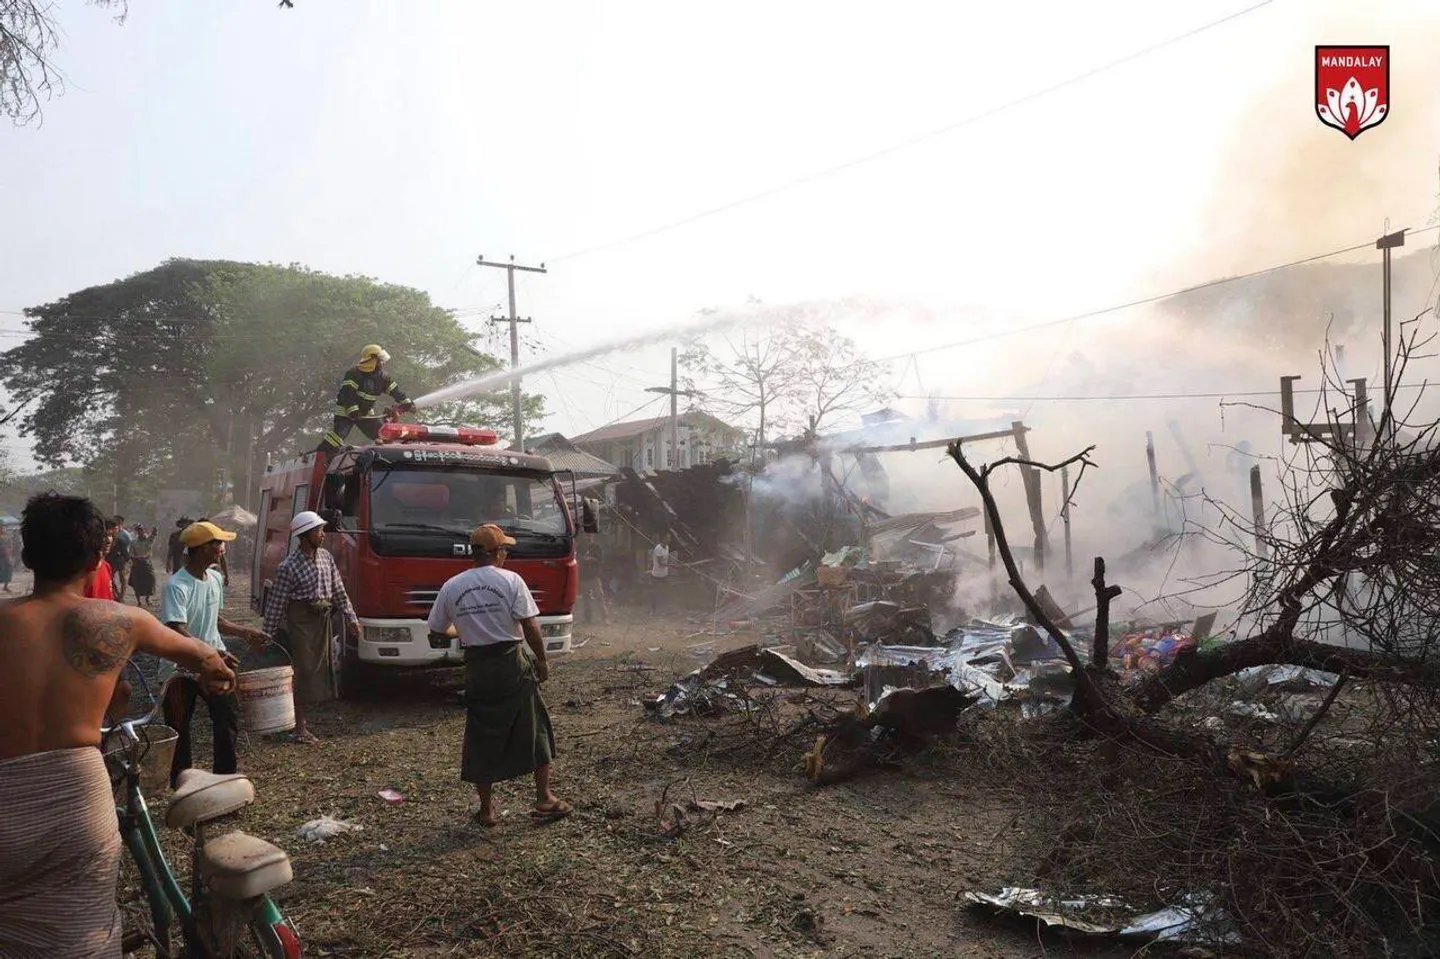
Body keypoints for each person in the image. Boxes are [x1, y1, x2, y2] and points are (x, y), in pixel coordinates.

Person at [0, 493, 235, 957]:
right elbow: (205, 657)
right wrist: (219, 675)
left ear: (26, 555)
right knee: (81, 935)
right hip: (75, 805)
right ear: (98, 555)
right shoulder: (120, 620)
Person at [426, 524, 570, 827]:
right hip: (511, 663)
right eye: (504, 549)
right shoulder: (511, 580)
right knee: (535, 728)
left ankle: (487, 810)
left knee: (482, 734)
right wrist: (542, 661)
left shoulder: (453, 585)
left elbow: (438, 629)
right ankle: (544, 798)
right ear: (496, 553)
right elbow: (530, 625)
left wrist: (462, 629)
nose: (506, 553)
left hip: (479, 668)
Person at [159, 521, 269, 789]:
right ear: (199, 549)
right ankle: (184, 788)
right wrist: (211, 652)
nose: (222, 547)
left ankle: (225, 781)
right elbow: (175, 628)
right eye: (216, 543)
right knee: (179, 730)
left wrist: (245, 632)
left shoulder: (216, 579)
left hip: (214, 662)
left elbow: (215, 620)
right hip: (180, 669)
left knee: (226, 719)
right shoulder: (176, 585)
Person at [261, 511, 359, 744]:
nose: (322, 535)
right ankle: (299, 727)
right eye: (318, 531)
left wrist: (351, 618)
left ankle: (300, 720)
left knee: (321, 669)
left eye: (322, 530)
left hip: (322, 619)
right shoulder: (289, 566)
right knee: (303, 672)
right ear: (304, 535)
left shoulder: (326, 557)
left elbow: (338, 591)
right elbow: (277, 603)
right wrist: (267, 635)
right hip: (302, 621)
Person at [316, 344, 415, 454]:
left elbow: (396, 391)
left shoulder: (383, 377)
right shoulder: (354, 373)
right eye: (380, 360)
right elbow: (347, 394)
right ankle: (321, 455)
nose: (383, 363)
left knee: (381, 433)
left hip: (366, 412)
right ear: (372, 360)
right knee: (338, 437)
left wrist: (407, 403)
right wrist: (353, 411)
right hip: (345, 411)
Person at [579, 535, 610, 626]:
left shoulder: (597, 547)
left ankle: (605, 618)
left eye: (589, 537)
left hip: (594, 577)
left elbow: (600, 560)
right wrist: (584, 560)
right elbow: (577, 559)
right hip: (583, 577)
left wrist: (590, 560)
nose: (587, 539)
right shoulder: (580, 547)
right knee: (586, 599)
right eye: (585, 537)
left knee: (599, 597)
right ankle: (588, 619)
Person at [84, 524, 117, 600]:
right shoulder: (83, 571)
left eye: (110, 535)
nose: (108, 540)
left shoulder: (106, 566)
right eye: (104, 536)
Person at [128, 525, 158, 607]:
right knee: (136, 582)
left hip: (147, 563)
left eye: (141, 530)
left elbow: (154, 535)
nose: (140, 532)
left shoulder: (149, 540)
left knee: (150, 580)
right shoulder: (133, 542)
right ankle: (139, 601)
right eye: (138, 530)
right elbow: (131, 553)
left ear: (144, 530)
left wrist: (155, 529)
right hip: (137, 563)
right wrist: (135, 558)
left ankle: (147, 598)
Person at [106, 518, 132, 602]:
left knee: (122, 578)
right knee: (110, 578)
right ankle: (114, 593)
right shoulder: (107, 539)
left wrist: (128, 561)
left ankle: (121, 595)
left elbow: (125, 552)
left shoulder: (121, 539)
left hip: (120, 562)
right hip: (110, 561)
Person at [648, 534, 672, 613]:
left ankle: (666, 609)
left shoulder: (667, 547)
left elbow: (667, 560)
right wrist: (671, 566)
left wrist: (670, 564)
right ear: (663, 539)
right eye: (668, 538)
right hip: (657, 574)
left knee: (667, 591)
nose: (669, 540)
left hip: (665, 574)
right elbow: (661, 563)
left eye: (670, 538)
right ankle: (652, 609)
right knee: (655, 592)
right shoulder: (658, 549)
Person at [0, 528, 12, 593]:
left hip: (5, 557)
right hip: (1, 557)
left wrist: (9, 550)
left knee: (9, 569)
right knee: (2, 570)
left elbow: (9, 546)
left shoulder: (5, 538)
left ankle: (5, 586)